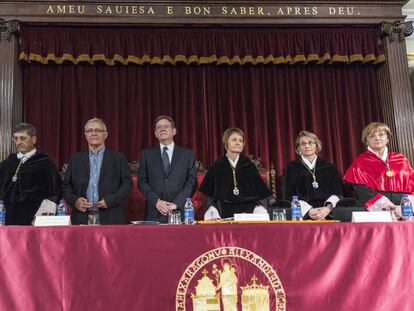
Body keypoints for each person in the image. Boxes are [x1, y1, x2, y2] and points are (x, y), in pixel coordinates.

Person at [62, 118, 132, 225]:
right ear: (85, 135)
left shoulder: (118, 158)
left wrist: (110, 201)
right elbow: (66, 186)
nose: (93, 134)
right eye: (90, 131)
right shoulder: (75, 159)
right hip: (81, 217)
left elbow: (127, 185)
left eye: (98, 130)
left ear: (106, 135)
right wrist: (75, 201)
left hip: (111, 216)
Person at [199, 127, 271, 219]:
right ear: (226, 144)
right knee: (211, 214)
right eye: (234, 140)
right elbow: (210, 195)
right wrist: (211, 207)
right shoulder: (217, 166)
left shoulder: (249, 166)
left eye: (241, 141)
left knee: (262, 212)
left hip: (248, 208)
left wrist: (260, 206)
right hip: (223, 208)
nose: (238, 143)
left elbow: (261, 193)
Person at [138, 115, 198, 223]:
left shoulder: (187, 154)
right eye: (158, 127)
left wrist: (176, 204)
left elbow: (192, 182)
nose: (162, 129)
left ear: (174, 131)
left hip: (180, 212)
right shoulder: (146, 154)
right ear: (155, 133)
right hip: (154, 212)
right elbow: (142, 182)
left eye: (166, 126)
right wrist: (156, 201)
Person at [344, 122, 414, 212]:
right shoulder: (360, 163)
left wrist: (406, 207)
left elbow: (412, 185)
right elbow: (362, 191)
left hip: (404, 207)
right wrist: (389, 207)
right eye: (372, 136)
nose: (377, 138)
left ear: (387, 138)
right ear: (366, 141)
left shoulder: (401, 159)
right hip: (376, 209)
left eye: (381, 134)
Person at [0, 123, 61, 225]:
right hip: (8, 215)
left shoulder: (45, 162)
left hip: (34, 214)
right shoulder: (8, 162)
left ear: (34, 139)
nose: (18, 142)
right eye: (16, 138)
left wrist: (41, 217)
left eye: (23, 138)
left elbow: (55, 191)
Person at [283, 131, 344, 220]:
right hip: (303, 214)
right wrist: (308, 210)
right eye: (303, 144)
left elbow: (338, 193)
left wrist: (327, 209)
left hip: (328, 212)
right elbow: (289, 194)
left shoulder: (329, 167)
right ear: (298, 148)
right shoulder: (292, 168)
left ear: (316, 145)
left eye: (310, 143)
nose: (307, 146)